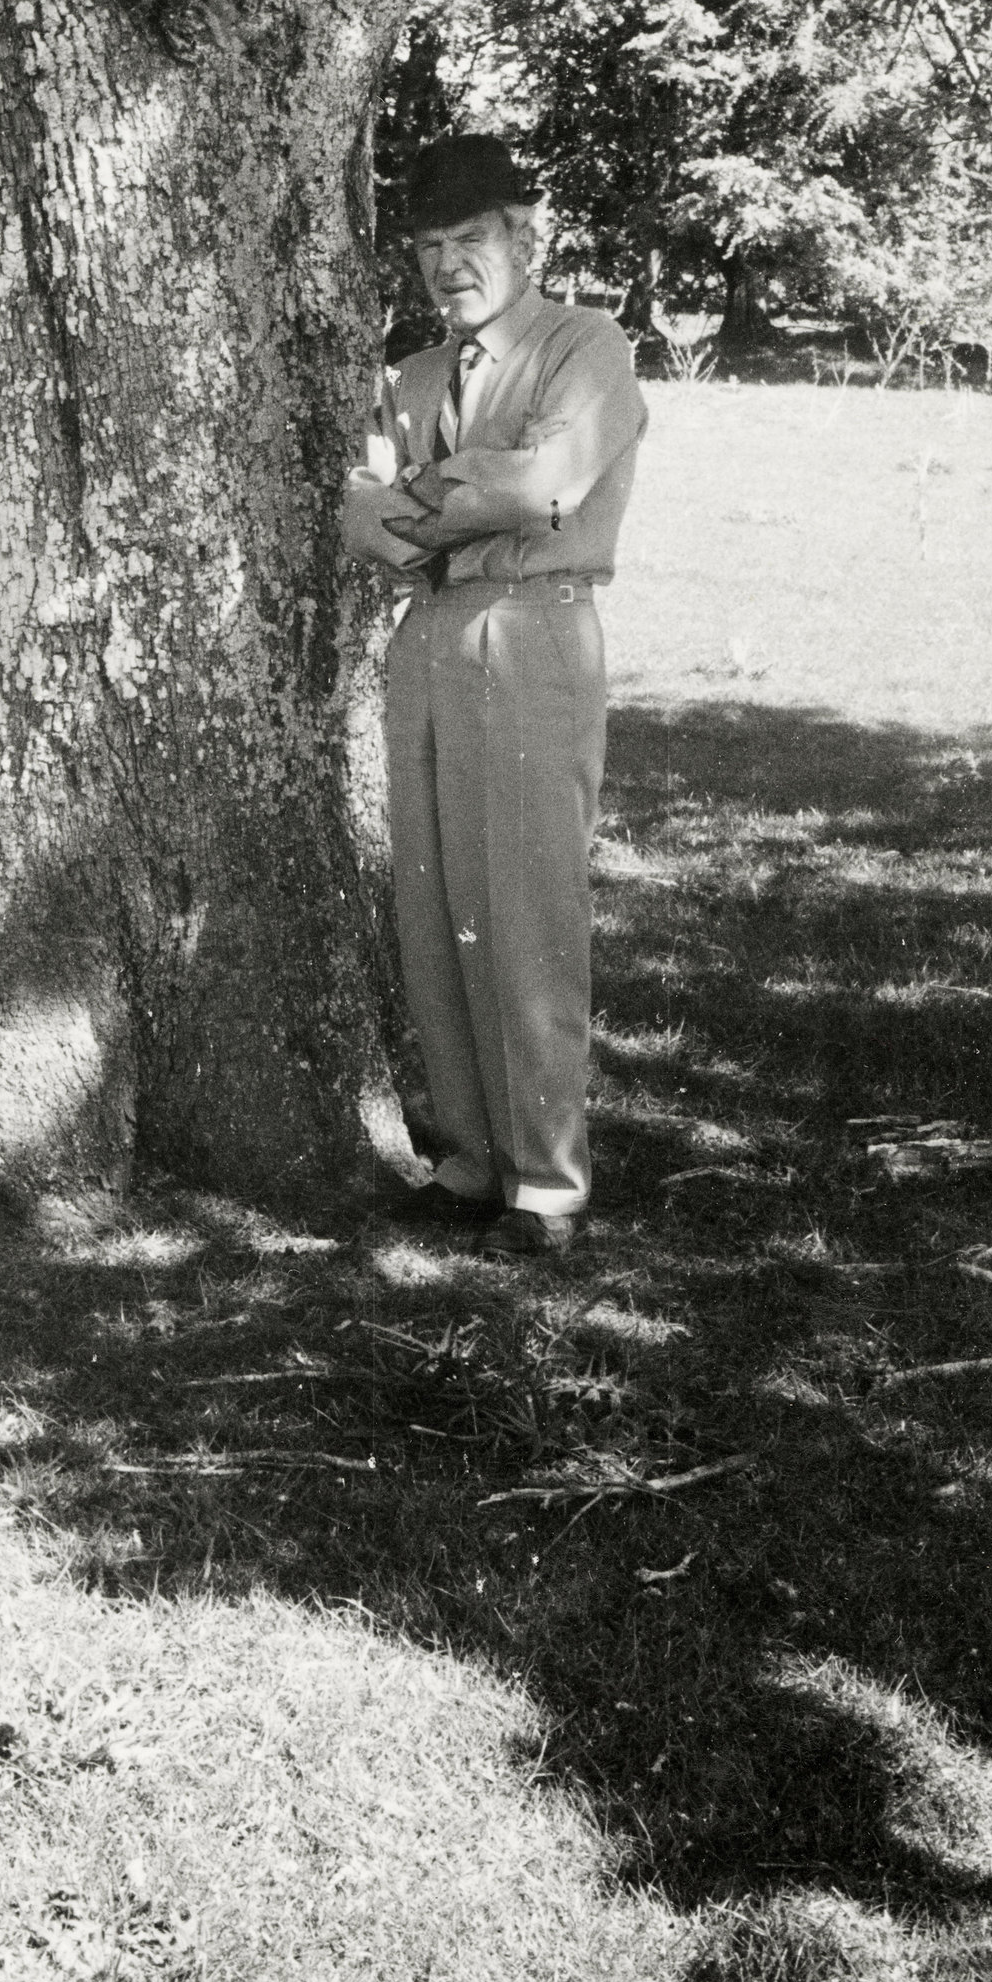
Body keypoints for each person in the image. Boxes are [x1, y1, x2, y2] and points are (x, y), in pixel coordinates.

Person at [341, 135, 647, 1258]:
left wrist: (424, 497)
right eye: (426, 247)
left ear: (525, 235)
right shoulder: (414, 377)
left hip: (532, 630)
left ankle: (548, 1184)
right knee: (432, 907)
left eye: (470, 239)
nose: (447, 265)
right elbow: (364, 521)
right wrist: (444, 501)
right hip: (424, 638)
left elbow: (541, 484)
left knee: (523, 908)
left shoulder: (586, 345)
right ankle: (469, 1159)